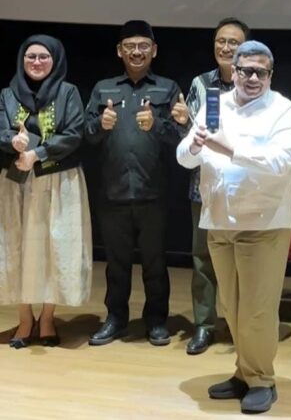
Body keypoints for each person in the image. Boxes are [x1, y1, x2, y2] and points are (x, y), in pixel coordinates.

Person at [177, 40, 291, 414]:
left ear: (270, 75)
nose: (252, 78)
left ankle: (262, 380)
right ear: (233, 71)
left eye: (260, 72)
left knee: (256, 310)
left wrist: (229, 149)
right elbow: (184, 158)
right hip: (219, 219)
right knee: (231, 306)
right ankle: (244, 373)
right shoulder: (215, 104)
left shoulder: (283, 110)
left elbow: (281, 162)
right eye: (245, 70)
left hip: (263, 223)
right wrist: (194, 147)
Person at [85, 20, 189, 346]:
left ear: (154, 50)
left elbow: (182, 137)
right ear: (119, 51)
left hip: (153, 192)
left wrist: (156, 124)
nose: (137, 51)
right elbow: (86, 133)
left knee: (155, 263)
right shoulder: (103, 88)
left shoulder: (168, 88)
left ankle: (156, 320)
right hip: (113, 192)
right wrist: (100, 125)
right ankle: (115, 318)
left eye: (143, 46)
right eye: (130, 46)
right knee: (116, 264)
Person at [0, 35, 92, 348]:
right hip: (16, 181)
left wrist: (36, 154)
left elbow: (74, 133)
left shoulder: (68, 92)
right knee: (17, 246)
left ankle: (48, 317)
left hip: (59, 179)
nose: (36, 62)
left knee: (55, 247)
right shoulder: (7, 94)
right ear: (21, 60)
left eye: (43, 57)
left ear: (55, 60)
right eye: (31, 56)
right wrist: (12, 141)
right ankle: (25, 318)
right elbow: (1, 128)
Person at [184, 17, 250, 355]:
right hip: (205, 187)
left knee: (242, 260)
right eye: (221, 41)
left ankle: (241, 325)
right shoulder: (200, 84)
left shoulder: (253, 83)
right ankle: (204, 325)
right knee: (202, 258)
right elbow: (192, 135)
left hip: (243, 188)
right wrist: (182, 123)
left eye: (233, 42)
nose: (225, 47)